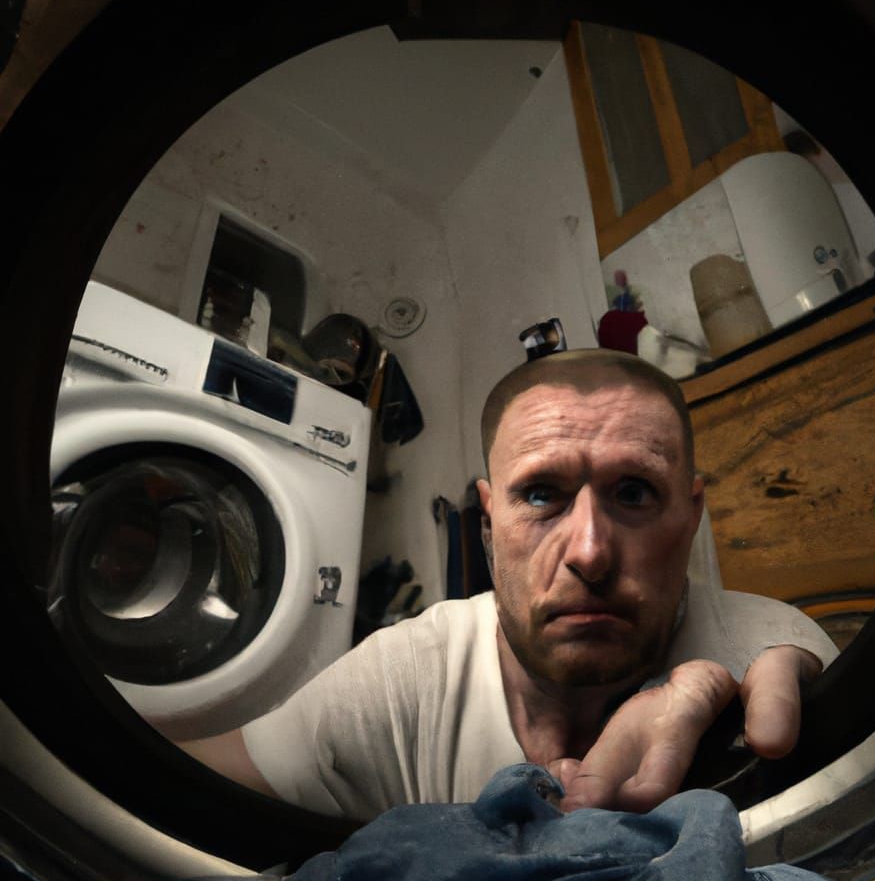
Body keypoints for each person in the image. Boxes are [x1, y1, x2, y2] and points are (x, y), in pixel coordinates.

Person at [182, 349, 837, 820]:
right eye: (542, 494)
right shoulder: (414, 673)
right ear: (489, 522)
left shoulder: (764, 649)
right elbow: (176, 792)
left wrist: (809, 661)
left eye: (633, 492)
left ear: (691, 515)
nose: (589, 552)